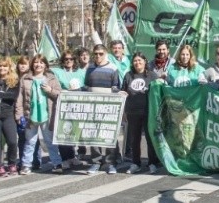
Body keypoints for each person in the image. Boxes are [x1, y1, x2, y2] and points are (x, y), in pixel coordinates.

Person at [15, 54, 63, 175]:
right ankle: (26, 165)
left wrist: (50, 91)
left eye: (41, 62)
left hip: (47, 114)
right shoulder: (25, 78)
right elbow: (19, 98)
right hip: (30, 115)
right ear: (32, 64)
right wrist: (19, 115)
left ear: (45, 65)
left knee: (50, 141)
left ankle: (57, 163)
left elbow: (60, 94)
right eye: (36, 62)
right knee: (30, 141)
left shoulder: (51, 78)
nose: (38, 65)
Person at [122, 51, 162, 175]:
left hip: (149, 112)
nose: (137, 63)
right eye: (135, 61)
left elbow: (159, 91)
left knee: (150, 138)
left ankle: (152, 163)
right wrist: (123, 111)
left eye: (140, 60)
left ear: (145, 61)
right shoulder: (128, 75)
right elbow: (124, 92)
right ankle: (136, 163)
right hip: (132, 112)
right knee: (134, 139)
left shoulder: (152, 75)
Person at [84, 44, 121, 174]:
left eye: (100, 53)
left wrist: (120, 93)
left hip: (108, 108)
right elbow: (86, 87)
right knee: (93, 135)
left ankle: (111, 162)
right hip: (93, 108)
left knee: (110, 135)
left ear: (105, 53)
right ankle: (96, 162)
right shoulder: (90, 68)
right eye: (96, 54)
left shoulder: (112, 68)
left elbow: (116, 87)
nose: (98, 56)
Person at [51, 50, 87, 168]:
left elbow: (86, 87)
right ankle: (65, 158)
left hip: (78, 106)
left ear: (75, 60)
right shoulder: (57, 72)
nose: (68, 61)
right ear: (62, 61)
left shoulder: (81, 72)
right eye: (66, 59)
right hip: (64, 106)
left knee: (74, 131)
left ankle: (72, 156)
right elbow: (55, 87)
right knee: (64, 130)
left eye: (71, 59)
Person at [15, 55, 41, 171]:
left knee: (32, 139)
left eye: (25, 64)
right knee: (22, 138)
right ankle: (23, 161)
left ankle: (36, 160)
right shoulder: (15, 78)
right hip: (18, 112)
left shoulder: (30, 78)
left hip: (30, 112)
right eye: (20, 63)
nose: (22, 66)